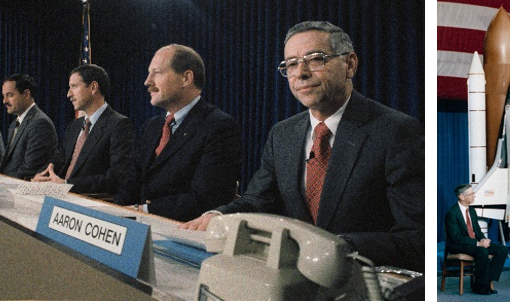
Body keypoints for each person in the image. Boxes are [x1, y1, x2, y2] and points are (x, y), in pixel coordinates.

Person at [178, 22, 423, 272]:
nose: (301, 73)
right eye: (292, 64)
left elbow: (416, 237)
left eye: (316, 59)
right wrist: (219, 217)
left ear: (349, 64)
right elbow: (257, 201)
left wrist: (334, 247)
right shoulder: (282, 134)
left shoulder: (396, 131)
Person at [114, 44, 243, 222]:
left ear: (186, 78)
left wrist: (140, 210)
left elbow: (204, 199)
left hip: (182, 233)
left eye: (157, 73)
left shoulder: (219, 127)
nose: (147, 82)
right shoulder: (151, 126)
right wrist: (113, 214)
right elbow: (131, 183)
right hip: (139, 228)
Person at [32, 65, 135, 195]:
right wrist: (41, 175)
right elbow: (58, 159)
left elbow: (117, 177)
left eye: (74, 86)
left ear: (93, 87)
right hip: (58, 197)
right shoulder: (74, 125)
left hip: (86, 202)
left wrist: (66, 185)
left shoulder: (119, 125)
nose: (68, 94)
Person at [444, 184, 508, 295]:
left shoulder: (472, 211)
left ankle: (487, 280)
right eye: (471, 194)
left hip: (474, 243)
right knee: (482, 251)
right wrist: (478, 243)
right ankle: (480, 287)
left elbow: (477, 231)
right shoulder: (452, 213)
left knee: (502, 249)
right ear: (462, 197)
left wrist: (484, 239)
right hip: (458, 245)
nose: (474, 196)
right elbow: (456, 237)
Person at [0, 74, 57, 180]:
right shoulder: (14, 125)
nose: (4, 101)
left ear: (26, 94)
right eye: (3, 96)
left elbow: (30, 170)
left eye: (10, 95)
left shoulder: (40, 123)